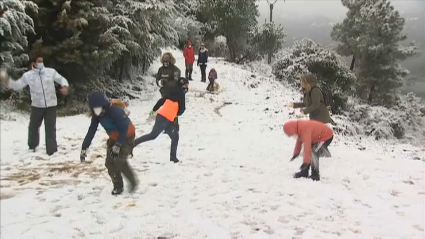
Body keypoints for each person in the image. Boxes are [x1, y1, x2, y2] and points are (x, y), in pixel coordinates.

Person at [0, 55, 69, 155]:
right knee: (33, 126)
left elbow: (61, 79)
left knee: (50, 127)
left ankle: (52, 151)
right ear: (34, 63)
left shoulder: (50, 72)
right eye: (39, 61)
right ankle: (32, 146)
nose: (41, 63)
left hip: (51, 105)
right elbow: (17, 85)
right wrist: (7, 81)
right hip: (37, 105)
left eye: (42, 61)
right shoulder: (28, 75)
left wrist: (65, 86)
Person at [80, 92, 138, 195]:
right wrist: (84, 147)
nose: (98, 112)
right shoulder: (96, 116)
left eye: (99, 108)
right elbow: (92, 130)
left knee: (120, 160)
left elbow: (124, 128)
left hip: (126, 137)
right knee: (110, 163)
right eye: (95, 109)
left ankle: (133, 181)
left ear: (104, 105)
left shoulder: (115, 111)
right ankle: (118, 186)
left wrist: (118, 144)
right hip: (113, 137)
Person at [134, 77, 187, 163]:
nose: (186, 87)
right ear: (182, 84)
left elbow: (161, 101)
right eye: (186, 85)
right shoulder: (181, 94)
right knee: (153, 135)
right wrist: (176, 114)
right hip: (165, 119)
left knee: (175, 137)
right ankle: (133, 143)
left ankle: (173, 158)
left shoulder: (172, 91)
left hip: (163, 117)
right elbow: (182, 109)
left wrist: (154, 109)